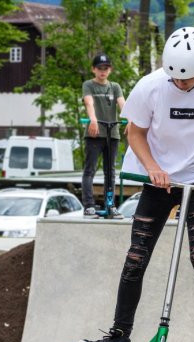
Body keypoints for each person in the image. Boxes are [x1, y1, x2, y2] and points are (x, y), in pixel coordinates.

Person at [77, 26, 194, 342]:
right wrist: (153, 166)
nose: (179, 85)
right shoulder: (151, 85)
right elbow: (134, 132)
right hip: (157, 181)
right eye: (175, 78)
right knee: (136, 257)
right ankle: (118, 338)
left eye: (186, 80)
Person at [81, 53, 126, 218]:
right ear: (94, 69)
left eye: (105, 68)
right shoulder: (89, 85)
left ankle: (110, 205)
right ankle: (89, 206)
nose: (102, 71)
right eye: (99, 68)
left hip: (112, 133)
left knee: (111, 171)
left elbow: (123, 104)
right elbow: (89, 102)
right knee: (90, 169)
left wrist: (131, 120)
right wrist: (93, 119)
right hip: (95, 133)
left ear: (110, 70)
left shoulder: (115, 87)